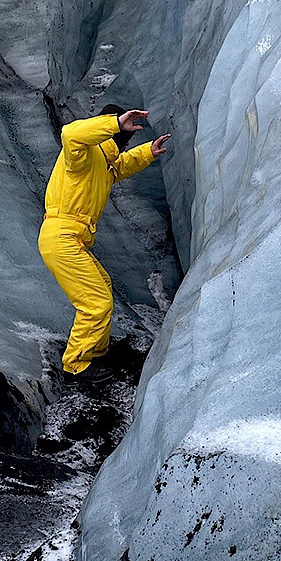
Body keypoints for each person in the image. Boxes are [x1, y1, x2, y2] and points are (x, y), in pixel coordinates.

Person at [39, 105, 172, 382]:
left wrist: (147, 152)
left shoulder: (103, 163)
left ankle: (95, 352)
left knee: (102, 288)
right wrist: (113, 123)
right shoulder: (81, 156)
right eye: (122, 133)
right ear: (107, 127)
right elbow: (71, 133)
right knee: (95, 301)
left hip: (71, 238)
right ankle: (76, 365)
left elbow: (119, 168)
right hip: (61, 236)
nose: (125, 140)